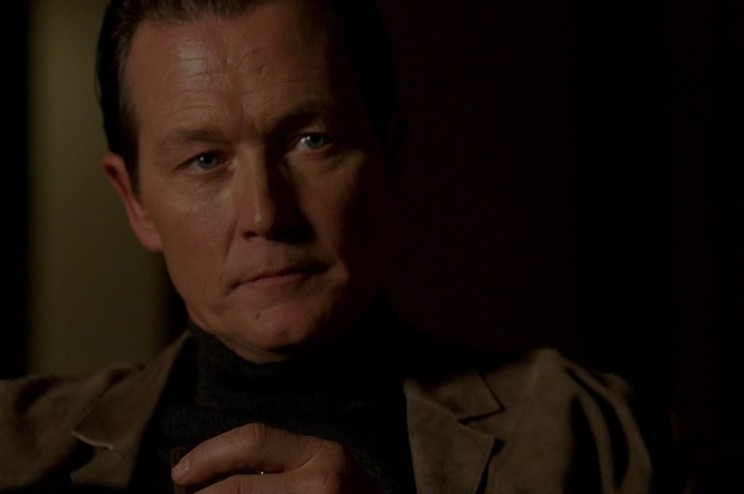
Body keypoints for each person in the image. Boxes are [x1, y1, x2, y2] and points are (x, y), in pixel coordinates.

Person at [0, 0, 673, 492]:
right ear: (136, 202)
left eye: (311, 141)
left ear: (390, 156)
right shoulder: (17, 443)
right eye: (206, 160)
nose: (266, 214)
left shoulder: (587, 432)